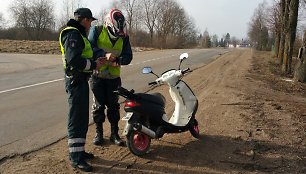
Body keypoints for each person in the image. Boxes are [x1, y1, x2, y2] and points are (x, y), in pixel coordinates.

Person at [59, 8, 103, 172]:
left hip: (80, 81)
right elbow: (73, 59)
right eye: (90, 21)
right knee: (76, 119)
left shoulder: (79, 35)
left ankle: (80, 152)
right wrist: (93, 65)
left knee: (82, 117)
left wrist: (93, 61)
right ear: (84, 20)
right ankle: (76, 158)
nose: (91, 25)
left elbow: (81, 57)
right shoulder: (73, 34)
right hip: (75, 82)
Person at [88, 9, 133, 146]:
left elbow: (128, 56)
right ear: (108, 24)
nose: (118, 36)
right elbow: (89, 48)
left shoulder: (124, 37)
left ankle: (115, 134)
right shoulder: (97, 30)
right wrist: (104, 54)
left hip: (113, 78)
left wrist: (118, 60)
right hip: (97, 76)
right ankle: (99, 134)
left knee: (113, 106)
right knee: (98, 106)